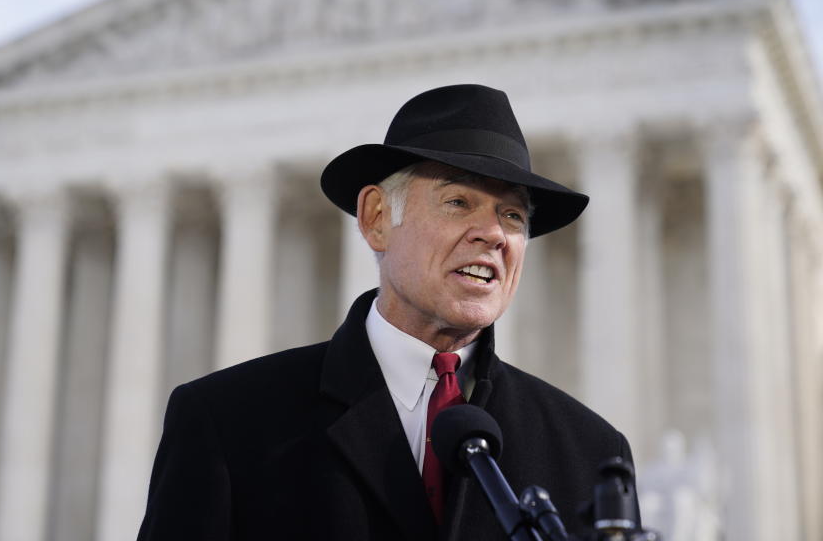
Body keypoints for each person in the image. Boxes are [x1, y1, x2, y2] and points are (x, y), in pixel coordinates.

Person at [136, 84, 638, 541]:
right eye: (459, 201)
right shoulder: (229, 422)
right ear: (377, 219)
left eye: (512, 215)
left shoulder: (591, 452)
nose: (493, 233)